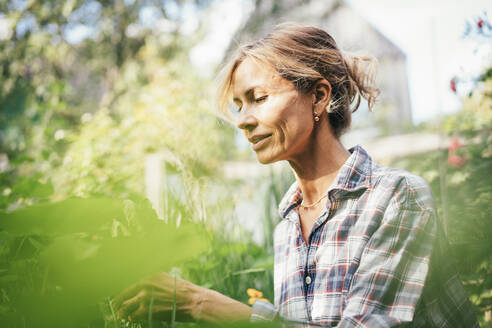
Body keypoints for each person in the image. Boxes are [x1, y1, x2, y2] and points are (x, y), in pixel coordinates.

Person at [113, 23, 479, 327]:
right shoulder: (287, 225)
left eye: (258, 98)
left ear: (319, 96)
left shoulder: (397, 197)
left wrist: (197, 302)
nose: (242, 121)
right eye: (238, 106)